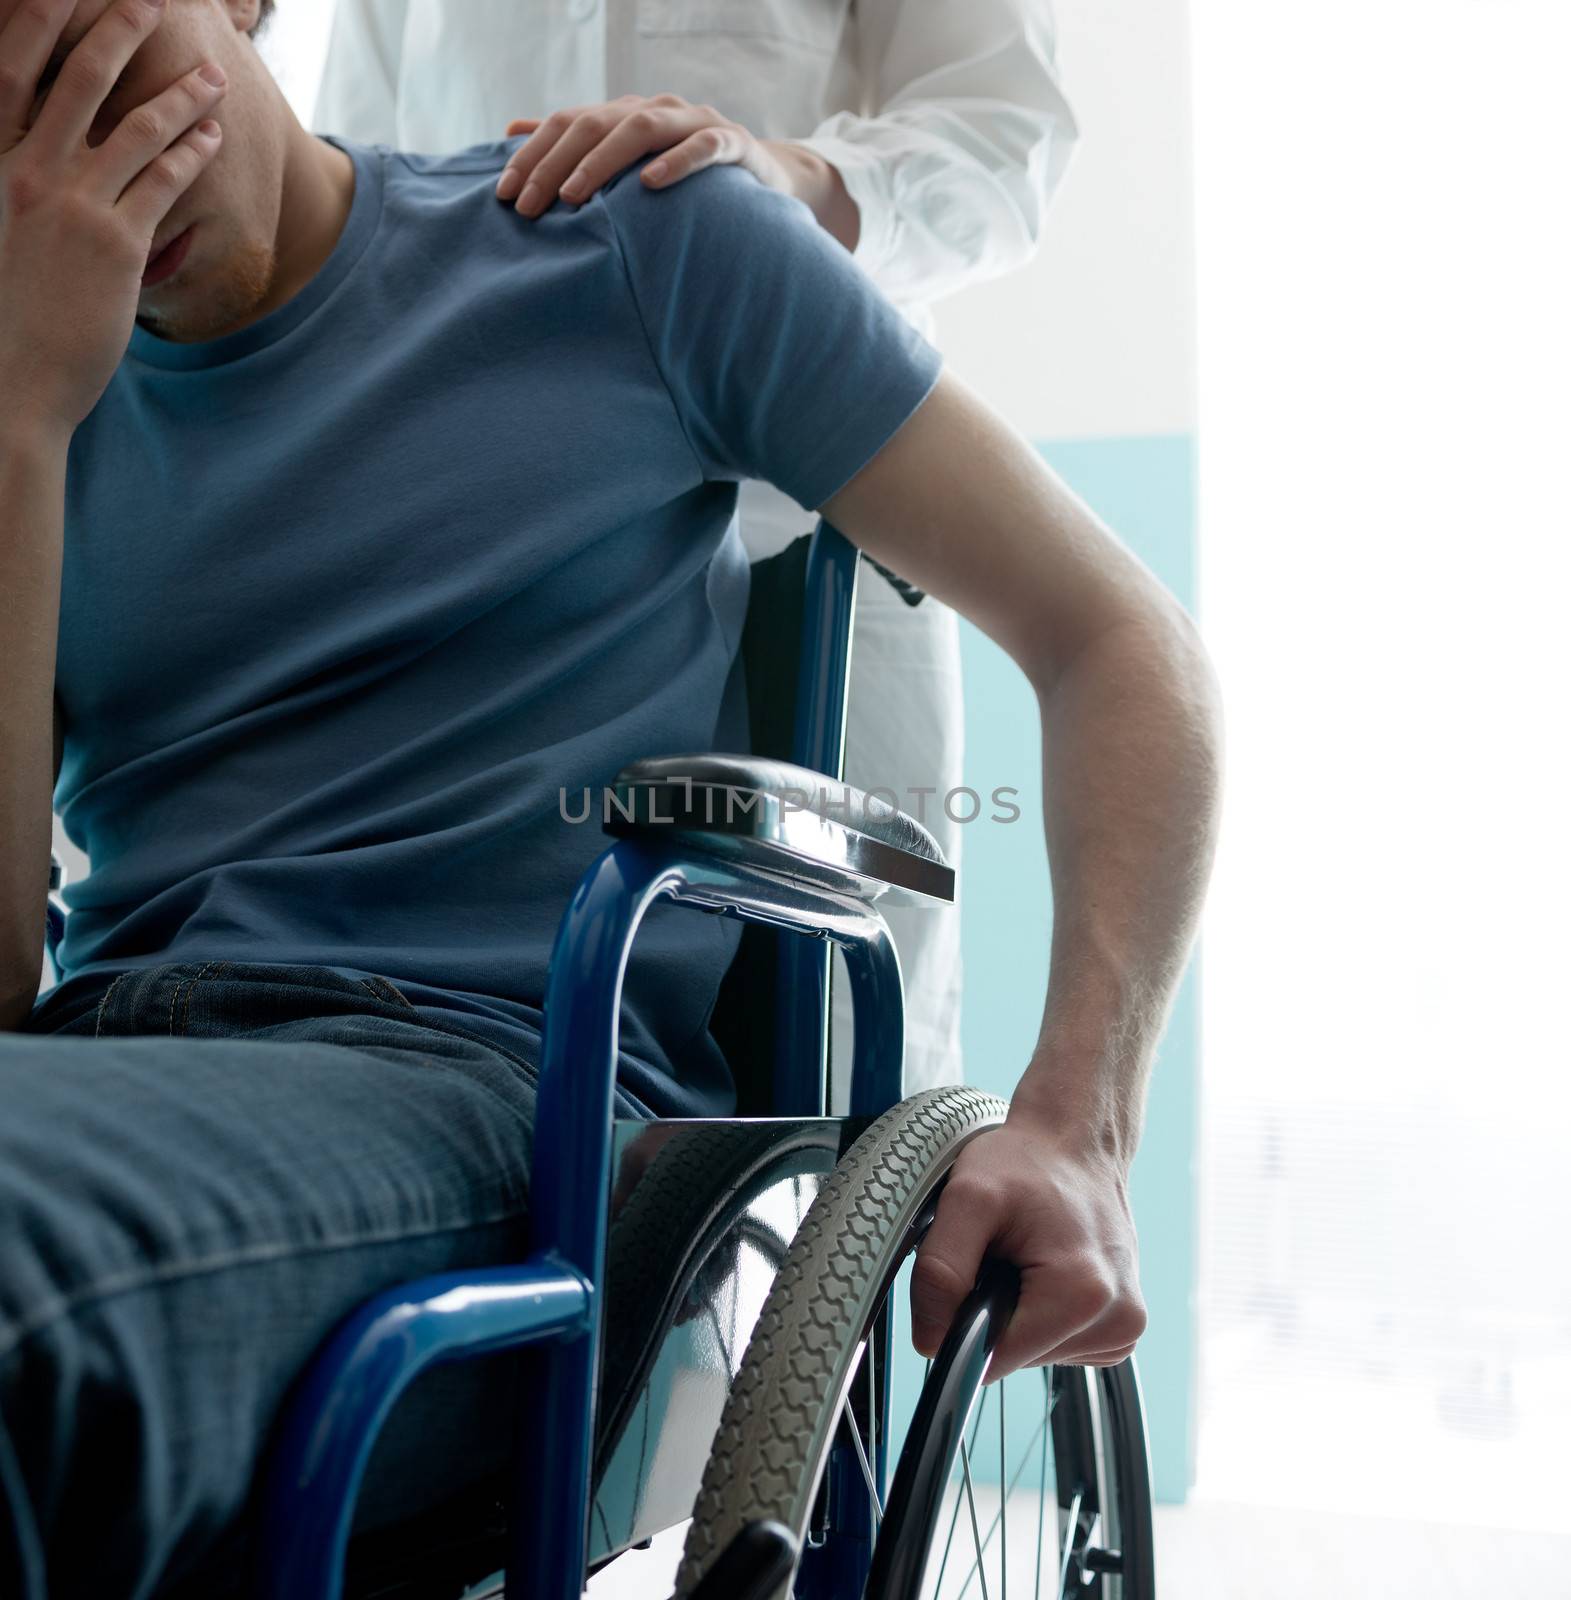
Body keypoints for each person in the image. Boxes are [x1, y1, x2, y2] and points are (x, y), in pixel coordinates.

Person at [0, 0, 1221, 1594]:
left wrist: (1079, 1129)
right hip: (104, 1056)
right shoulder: (37, 366)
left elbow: (1120, 640)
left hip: (467, 1075)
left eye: (96, 61)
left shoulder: (634, 245)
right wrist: (23, 422)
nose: (80, 173)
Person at [313, 0, 1080, 1109]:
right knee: (482, 1016)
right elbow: (357, 180)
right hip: (484, 553)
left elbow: (1007, 136)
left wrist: (784, 181)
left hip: (808, 537)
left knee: (836, 1058)